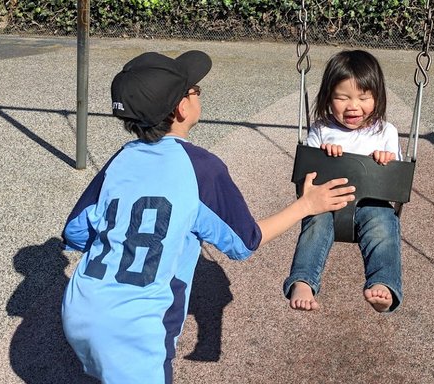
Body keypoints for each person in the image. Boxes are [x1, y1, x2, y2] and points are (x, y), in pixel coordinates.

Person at [61, 50, 355, 383]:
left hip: (81, 305)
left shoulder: (119, 160)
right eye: (193, 89)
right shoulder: (201, 168)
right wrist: (306, 205)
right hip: (137, 328)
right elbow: (246, 242)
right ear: (181, 109)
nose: (198, 92)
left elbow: (76, 232)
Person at [283, 49, 403, 313]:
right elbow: (307, 181)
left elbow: (395, 177)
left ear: (377, 96)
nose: (353, 106)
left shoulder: (385, 131)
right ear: (328, 97)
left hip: (372, 204)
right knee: (314, 222)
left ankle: (384, 284)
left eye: (364, 97)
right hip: (328, 201)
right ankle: (302, 280)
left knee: (383, 225)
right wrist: (324, 159)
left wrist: (385, 158)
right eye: (342, 97)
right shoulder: (321, 130)